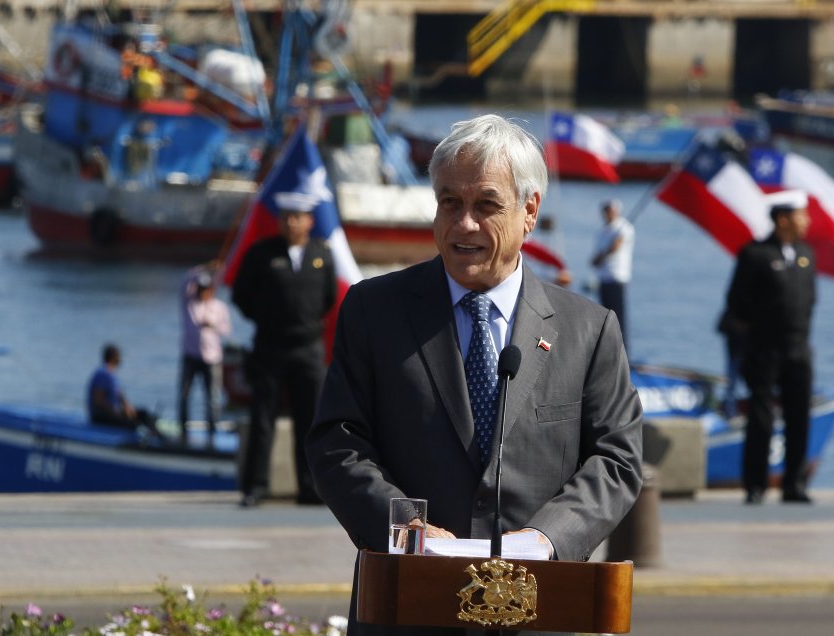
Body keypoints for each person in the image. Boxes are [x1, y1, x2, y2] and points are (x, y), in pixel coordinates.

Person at [306, 114, 644, 635]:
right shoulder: (375, 311)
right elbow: (337, 443)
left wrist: (546, 541)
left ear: (529, 211)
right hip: (407, 608)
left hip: (539, 609)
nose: (464, 224)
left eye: (486, 205)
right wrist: (405, 530)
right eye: (449, 203)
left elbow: (617, 459)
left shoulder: (589, 330)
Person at [232, 192, 337, 507]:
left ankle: (309, 487)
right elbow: (241, 296)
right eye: (286, 217)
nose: (292, 223)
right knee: (262, 417)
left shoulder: (322, 255)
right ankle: (256, 487)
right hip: (270, 347)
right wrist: (266, 319)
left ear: (309, 221)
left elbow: (328, 297)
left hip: (308, 348)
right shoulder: (261, 254)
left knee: (311, 421)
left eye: (298, 216)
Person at [720, 189, 816, 505]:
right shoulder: (755, 254)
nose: (807, 221)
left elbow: (810, 299)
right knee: (761, 417)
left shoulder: (806, 254)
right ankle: (756, 485)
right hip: (764, 349)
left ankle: (795, 484)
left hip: (799, 348)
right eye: (801, 215)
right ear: (783, 219)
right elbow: (736, 301)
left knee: (800, 416)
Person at [178, 264, 232, 449]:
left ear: (211, 289)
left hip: (212, 359)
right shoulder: (189, 304)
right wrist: (205, 268)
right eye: (199, 288)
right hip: (191, 357)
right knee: (184, 395)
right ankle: (182, 430)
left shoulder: (219, 307)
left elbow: (226, 330)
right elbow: (185, 280)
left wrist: (212, 325)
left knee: (212, 398)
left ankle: (213, 432)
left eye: (205, 288)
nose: (202, 292)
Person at [87, 343, 160, 436]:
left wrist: (128, 407)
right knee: (132, 425)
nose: (121, 359)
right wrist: (116, 412)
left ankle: (159, 438)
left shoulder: (111, 374)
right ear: (113, 357)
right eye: (119, 356)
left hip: (113, 412)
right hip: (101, 416)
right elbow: (98, 400)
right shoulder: (102, 374)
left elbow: (119, 394)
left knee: (143, 414)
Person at [590, 197, 634, 349]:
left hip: (617, 278)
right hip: (604, 278)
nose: (607, 213)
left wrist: (601, 256)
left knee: (619, 318)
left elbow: (615, 247)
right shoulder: (602, 231)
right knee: (605, 318)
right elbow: (597, 255)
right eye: (605, 211)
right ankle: (608, 351)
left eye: (610, 210)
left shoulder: (623, 228)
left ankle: (624, 353)